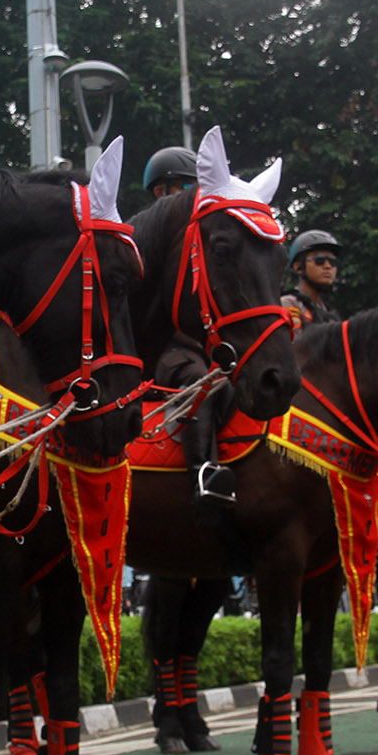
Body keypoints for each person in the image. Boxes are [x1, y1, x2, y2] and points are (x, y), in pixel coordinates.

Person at [144, 146, 236, 512]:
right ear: (160, 192)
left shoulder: (203, 241)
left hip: (205, 345)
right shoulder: (151, 238)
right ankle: (204, 476)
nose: (193, 196)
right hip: (165, 347)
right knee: (203, 382)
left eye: (193, 187)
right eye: (183, 187)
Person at [282, 230, 341, 328]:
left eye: (333, 262)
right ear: (298, 267)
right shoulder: (290, 304)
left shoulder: (327, 311)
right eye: (319, 260)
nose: (328, 266)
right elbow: (294, 342)